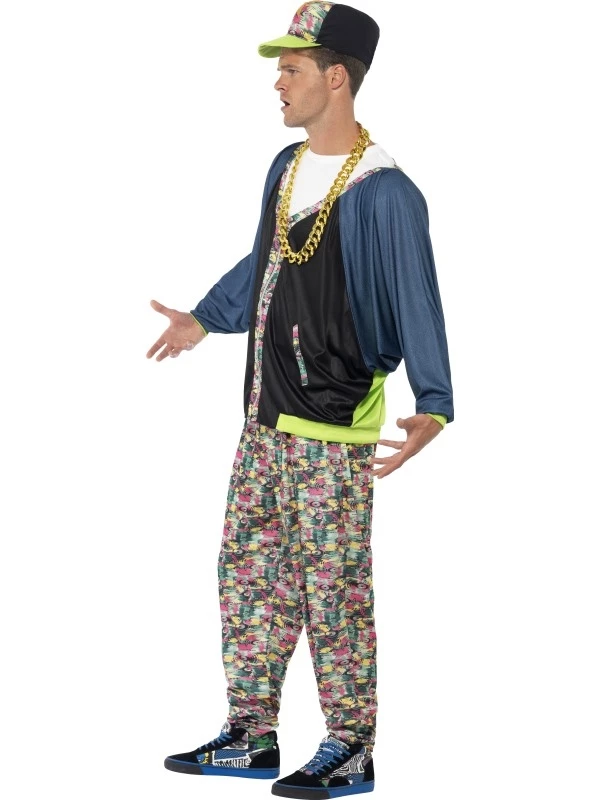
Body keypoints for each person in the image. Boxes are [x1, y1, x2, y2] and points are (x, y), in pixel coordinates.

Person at [147, 3, 453, 797]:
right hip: (263, 415)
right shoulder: (286, 168)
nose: (277, 82)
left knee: (333, 589)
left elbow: (416, 295)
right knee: (250, 573)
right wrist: (204, 318)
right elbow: (265, 261)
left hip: (332, 424)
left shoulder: (386, 192)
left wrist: (433, 399)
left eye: (292, 68)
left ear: (336, 77)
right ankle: (251, 734)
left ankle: (350, 745)